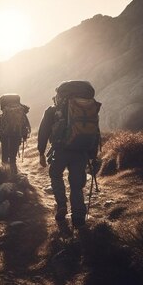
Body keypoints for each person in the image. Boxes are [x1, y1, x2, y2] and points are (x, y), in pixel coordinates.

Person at [37, 81, 101, 227]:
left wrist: (41, 152)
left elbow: (43, 132)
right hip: (81, 151)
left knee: (55, 175)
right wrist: (92, 155)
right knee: (77, 185)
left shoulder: (53, 110)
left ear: (60, 95)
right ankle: (78, 215)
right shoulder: (89, 109)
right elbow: (94, 132)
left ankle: (61, 206)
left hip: (60, 150)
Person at [0, 94, 31, 175]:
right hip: (16, 135)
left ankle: (4, 174)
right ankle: (14, 174)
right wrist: (24, 135)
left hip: (4, 136)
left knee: (5, 155)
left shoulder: (5, 112)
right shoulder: (21, 112)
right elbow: (25, 125)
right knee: (13, 156)